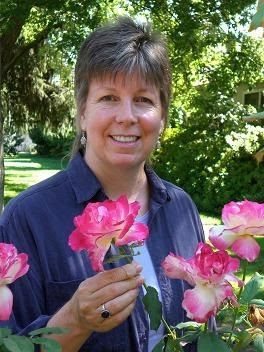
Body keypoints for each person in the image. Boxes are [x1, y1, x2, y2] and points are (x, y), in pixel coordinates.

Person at [0, 17, 205, 352]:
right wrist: (76, 320)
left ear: (162, 116)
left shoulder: (181, 208)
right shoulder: (27, 218)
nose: (127, 116)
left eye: (144, 99)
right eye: (109, 97)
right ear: (82, 112)